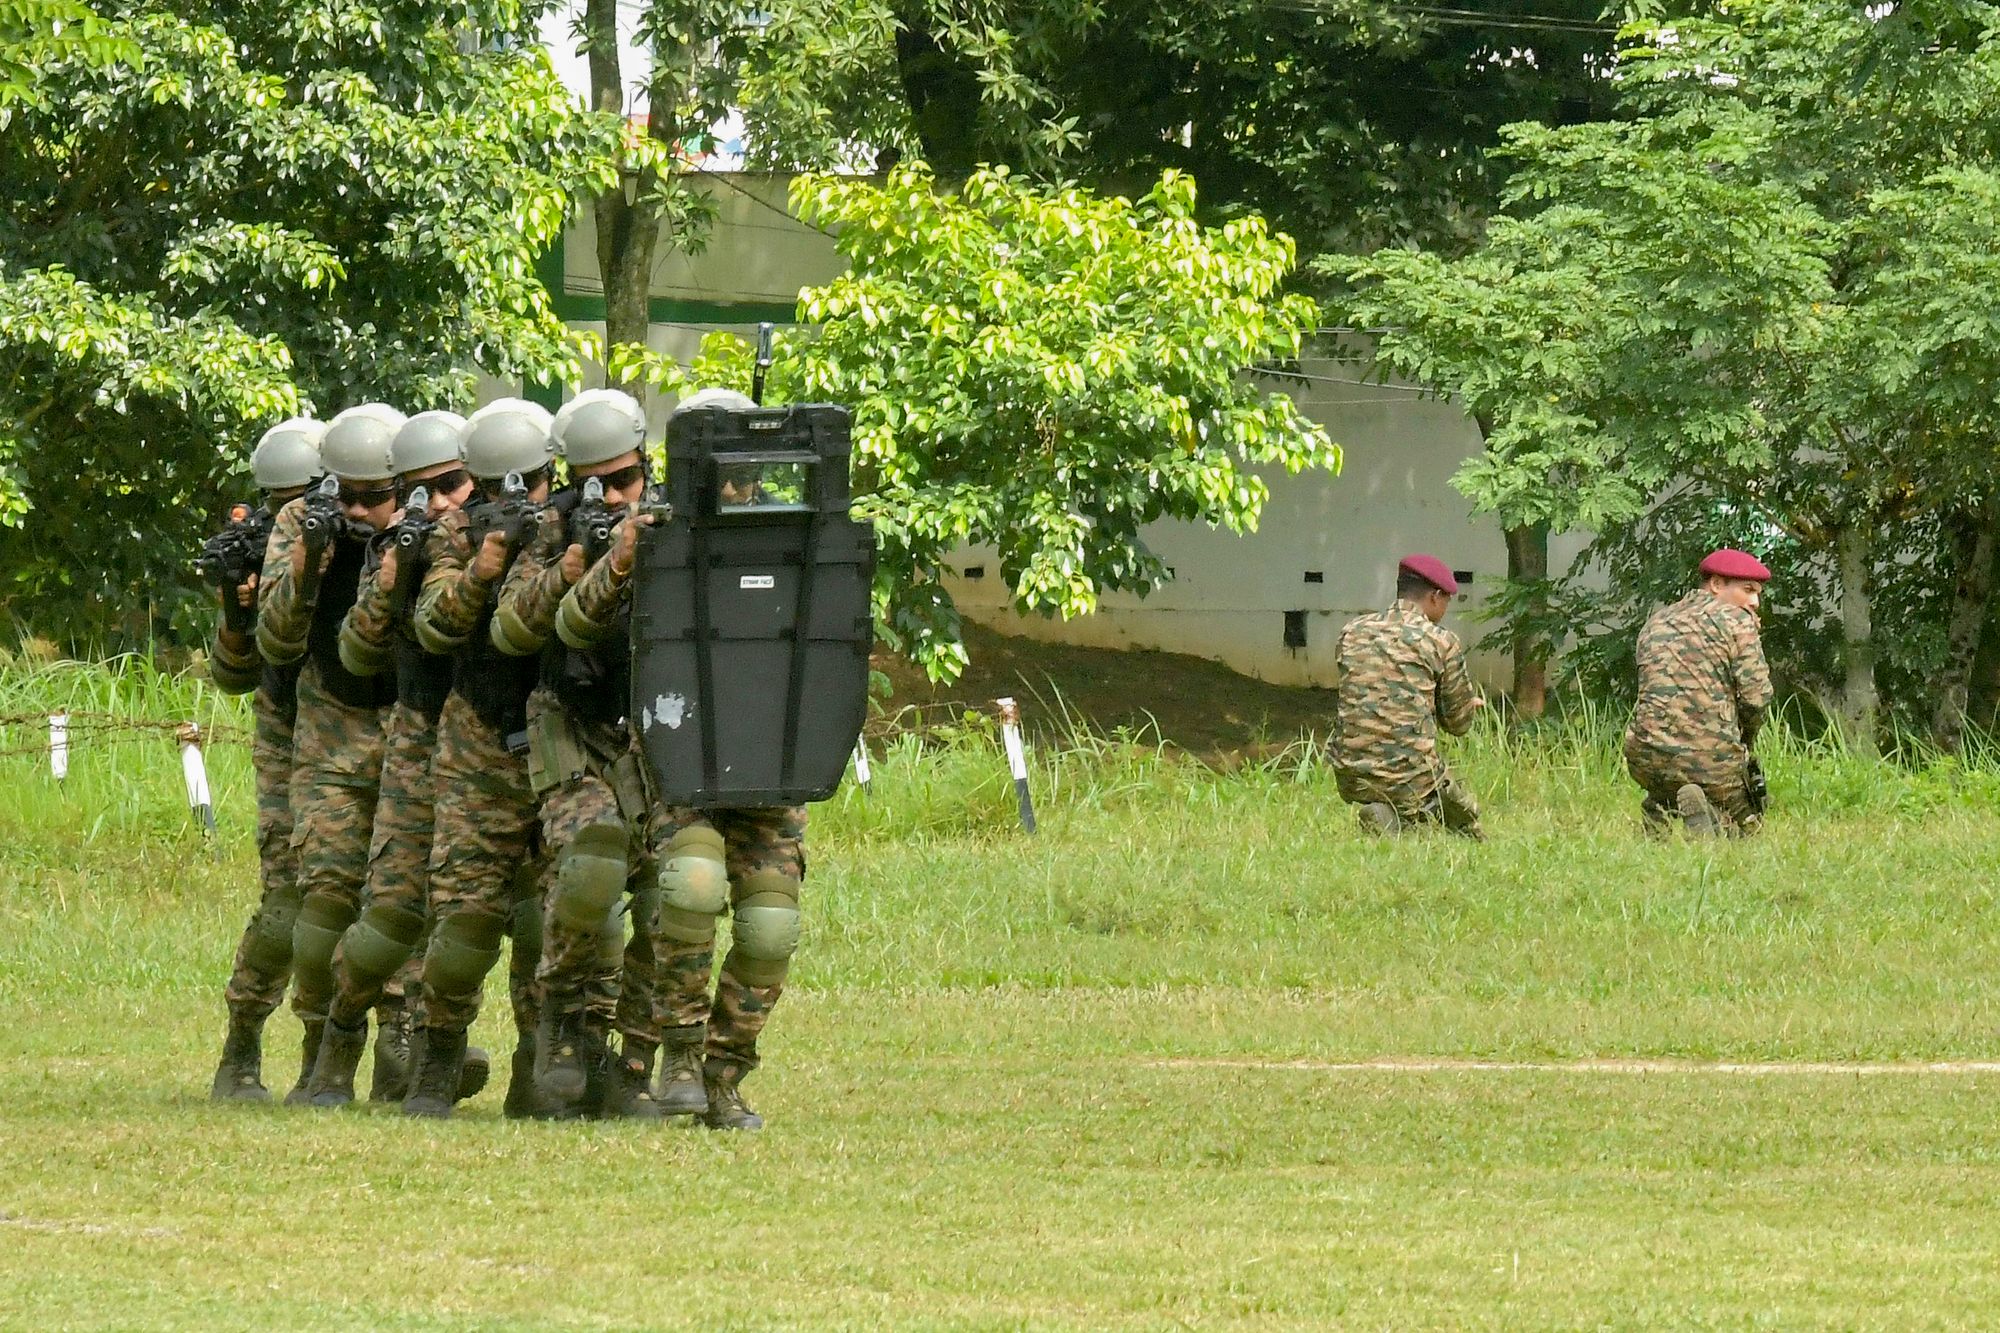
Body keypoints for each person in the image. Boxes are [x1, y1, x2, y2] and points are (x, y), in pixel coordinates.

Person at [403, 397, 656, 1118]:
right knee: (467, 919)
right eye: (494, 487)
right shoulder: (457, 535)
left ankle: (550, 1062)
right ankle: (438, 1054)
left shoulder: (576, 523)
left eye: (537, 480)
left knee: (575, 907)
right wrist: (483, 568)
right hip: (482, 741)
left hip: (569, 736)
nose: (520, 499)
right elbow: (436, 625)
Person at [303, 410, 489, 1108]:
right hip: (417, 734)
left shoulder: (512, 533)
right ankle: (339, 1040)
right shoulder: (398, 551)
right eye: (421, 491)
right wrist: (391, 575)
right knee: (390, 915)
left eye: (452, 485)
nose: (439, 504)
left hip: (493, 740)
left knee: (490, 915)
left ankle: (473, 1059)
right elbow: (356, 650)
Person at [254, 403, 405, 1103]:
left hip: (408, 724)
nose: (358, 510)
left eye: (375, 497)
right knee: (327, 893)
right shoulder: (304, 524)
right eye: (344, 495)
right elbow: (278, 637)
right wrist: (315, 554)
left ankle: (403, 1048)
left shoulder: (432, 523)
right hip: (331, 726)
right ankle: (323, 1050)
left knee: (404, 897)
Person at [208, 417, 326, 1102]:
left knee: (368, 895)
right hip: (288, 731)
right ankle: (242, 1042)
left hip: (355, 731)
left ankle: (330, 1055)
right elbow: (234, 673)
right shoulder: (260, 550)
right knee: (289, 898)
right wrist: (237, 609)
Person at [1331, 554, 1485, 839]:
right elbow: (1458, 724)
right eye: (1447, 602)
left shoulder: (1351, 632)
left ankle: (1384, 814)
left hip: (1350, 773)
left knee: (1406, 789)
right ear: (1435, 597)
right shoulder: (1440, 641)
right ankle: (1414, 816)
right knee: (1463, 811)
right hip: (1409, 775)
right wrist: (1466, 705)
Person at [1625, 548, 1774, 836]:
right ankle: (1716, 823)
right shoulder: (1737, 621)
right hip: (1710, 760)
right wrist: (1746, 741)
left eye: (1758, 593)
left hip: (1644, 756)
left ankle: (1661, 804)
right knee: (1749, 829)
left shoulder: (1657, 621)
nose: (1755, 602)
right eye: (1748, 590)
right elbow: (1757, 698)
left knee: (1673, 774)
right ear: (1717, 585)